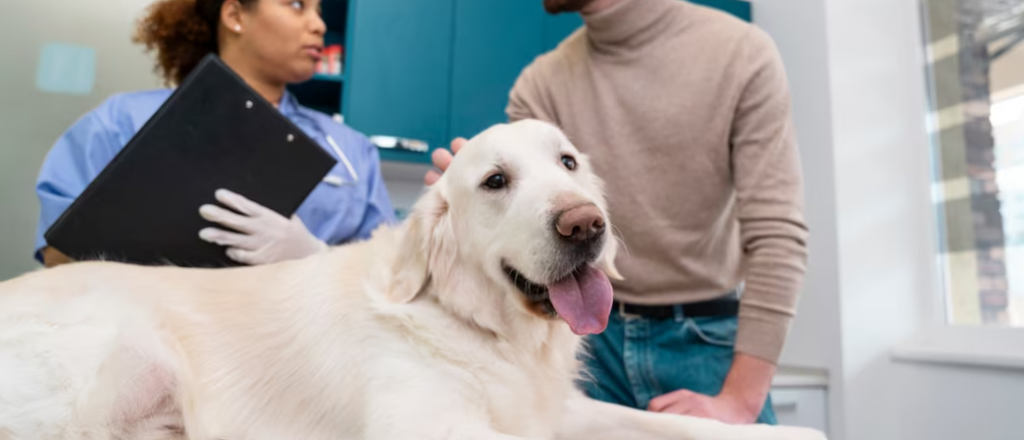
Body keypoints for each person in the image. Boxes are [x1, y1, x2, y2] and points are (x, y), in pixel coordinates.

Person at [427, 0, 808, 426]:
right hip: (585, 345)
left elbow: (777, 234)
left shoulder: (741, 52)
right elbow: (528, 232)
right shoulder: (541, 83)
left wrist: (739, 400)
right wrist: (477, 192)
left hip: (706, 342)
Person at [35, 0, 394, 268]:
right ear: (235, 16)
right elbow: (59, 258)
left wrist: (317, 257)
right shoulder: (121, 121)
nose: (318, 24)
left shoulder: (352, 149)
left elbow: (386, 278)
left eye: (319, 10)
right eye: (297, 4)